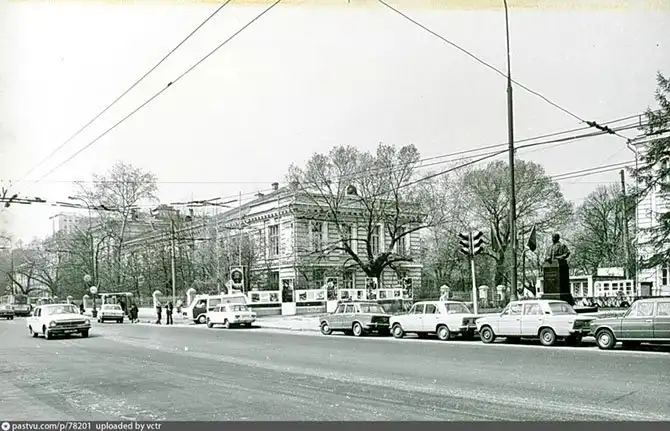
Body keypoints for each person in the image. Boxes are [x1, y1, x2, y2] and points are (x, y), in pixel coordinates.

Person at [545, 232, 573, 305]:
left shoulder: (562, 246)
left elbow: (567, 253)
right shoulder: (550, 247)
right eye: (552, 237)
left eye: (554, 237)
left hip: (560, 265)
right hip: (551, 265)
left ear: (557, 238)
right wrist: (547, 257)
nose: (552, 239)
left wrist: (560, 257)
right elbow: (547, 255)